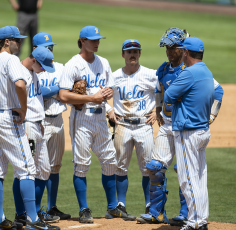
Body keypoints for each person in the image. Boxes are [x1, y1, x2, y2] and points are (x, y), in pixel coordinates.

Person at [136, 28, 224, 226]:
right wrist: (158, 108)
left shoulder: (189, 71)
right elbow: (160, 89)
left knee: (186, 175)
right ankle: (157, 212)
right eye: (166, 47)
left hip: (185, 128)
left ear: (183, 50)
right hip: (170, 125)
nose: (168, 51)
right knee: (156, 168)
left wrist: (212, 114)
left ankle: (188, 216)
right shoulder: (165, 69)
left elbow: (217, 90)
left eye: (173, 47)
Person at [59, 25, 136, 223]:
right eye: (93, 40)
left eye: (98, 39)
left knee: (110, 162)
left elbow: (108, 88)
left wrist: (108, 94)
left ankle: (112, 208)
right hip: (82, 119)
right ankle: (84, 209)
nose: (97, 43)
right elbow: (63, 94)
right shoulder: (73, 65)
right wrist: (90, 98)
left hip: (101, 118)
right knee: (82, 164)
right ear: (82, 41)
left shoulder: (103, 62)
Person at [0, 25, 41, 230]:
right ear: (7, 41)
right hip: (7, 118)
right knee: (27, 169)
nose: (21, 43)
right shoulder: (11, 60)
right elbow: (20, 85)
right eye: (17, 40)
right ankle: (32, 219)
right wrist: (23, 110)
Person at [164, 37, 214, 230]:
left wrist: (179, 95)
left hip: (188, 133)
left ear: (186, 53)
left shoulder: (189, 74)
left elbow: (168, 96)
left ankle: (195, 222)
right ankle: (201, 220)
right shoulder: (206, 71)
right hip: (202, 131)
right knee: (200, 179)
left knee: (187, 180)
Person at [106, 39, 157, 217]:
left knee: (148, 168)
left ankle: (150, 204)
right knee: (120, 167)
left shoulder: (151, 75)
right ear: (123, 54)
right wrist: (109, 109)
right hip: (123, 126)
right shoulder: (114, 76)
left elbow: (167, 90)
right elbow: (100, 93)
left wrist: (158, 111)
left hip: (144, 125)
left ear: (140, 54)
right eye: (129, 52)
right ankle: (121, 205)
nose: (132, 54)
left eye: (135, 51)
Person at [12, 46, 61, 230]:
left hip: (37, 125)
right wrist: (24, 124)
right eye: (42, 66)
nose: (43, 70)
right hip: (27, 126)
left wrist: (39, 119)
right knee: (25, 172)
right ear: (34, 60)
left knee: (44, 171)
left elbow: (34, 100)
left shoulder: (32, 72)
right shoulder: (20, 73)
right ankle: (21, 215)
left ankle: (32, 212)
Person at [34, 32, 72, 220]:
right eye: (46, 47)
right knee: (38, 167)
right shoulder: (33, 70)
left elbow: (70, 88)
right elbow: (40, 93)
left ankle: (51, 207)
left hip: (58, 119)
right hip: (40, 122)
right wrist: (58, 90)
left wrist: (55, 92)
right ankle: (34, 209)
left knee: (55, 166)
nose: (50, 50)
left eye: (51, 47)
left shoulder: (61, 67)